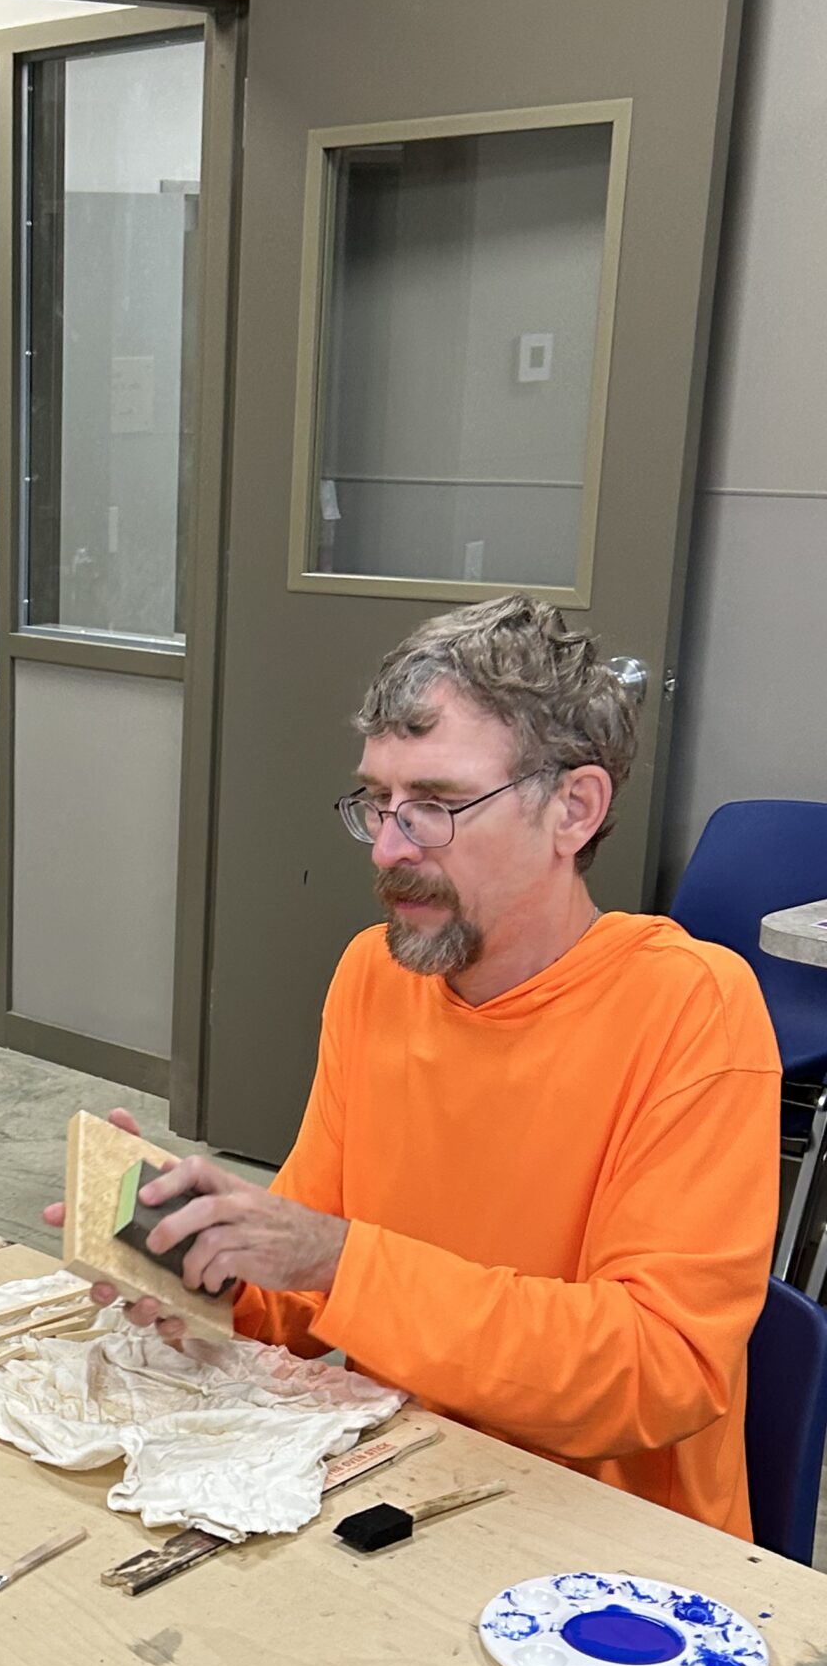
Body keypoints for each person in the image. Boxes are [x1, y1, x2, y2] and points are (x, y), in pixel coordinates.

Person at [55, 598, 781, 1538]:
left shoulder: (692, 1010)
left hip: (607, 1552)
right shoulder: (375, 974)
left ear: (575, 808)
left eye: (436, 806)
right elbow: (308, 1307)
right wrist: (205, 1265)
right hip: (392, 1481)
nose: (392, 848)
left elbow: (656, 1371)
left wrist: (336, 1256)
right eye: (378, 803)